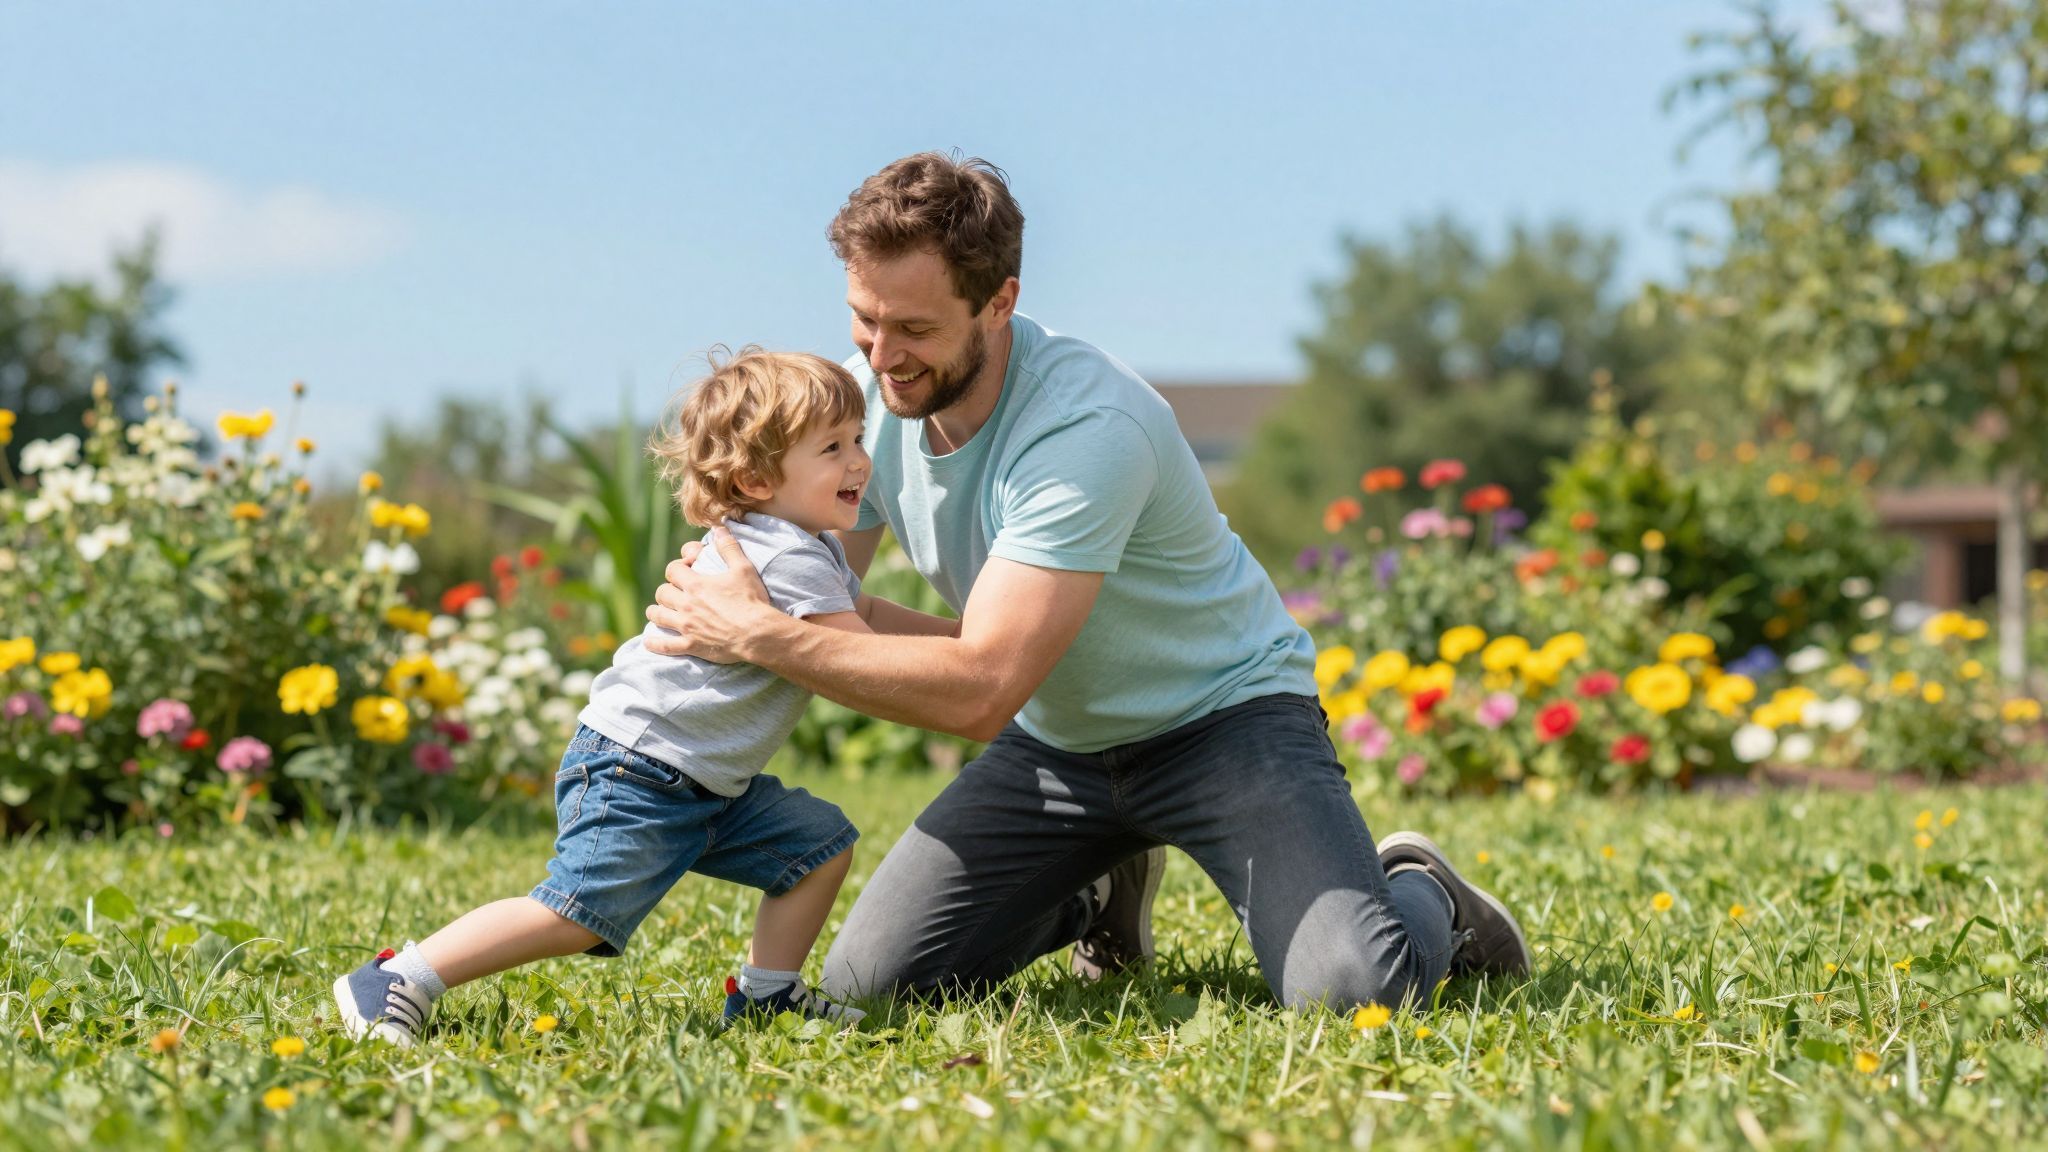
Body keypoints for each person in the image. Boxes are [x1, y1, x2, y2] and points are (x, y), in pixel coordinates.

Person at [645, 153, 1530, 1014]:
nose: (882, 355)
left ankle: (1424, 890)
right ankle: (1097, 888)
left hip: (1224, 721)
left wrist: (759, 634)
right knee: (871, 989)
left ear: (1000, 303)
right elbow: (823, 597)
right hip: (1058, 747)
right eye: (863, 318)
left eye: (914, 328)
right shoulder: (863, 410)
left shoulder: (1084, 427)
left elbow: (981, 690)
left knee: (1355, 992)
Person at [332, 349, 915, 1046]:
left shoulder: (804, 547)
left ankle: (769, 995)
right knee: (574, 912)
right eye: (832, 448)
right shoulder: (783, 554)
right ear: (757, 479)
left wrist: (970, 638)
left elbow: (866, 614)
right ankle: (398, 978)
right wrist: (966, 660)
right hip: (642, 769)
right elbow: (860, 654)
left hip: (703, 780)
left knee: (816, 847)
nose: (859, 462)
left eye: (857, 439)